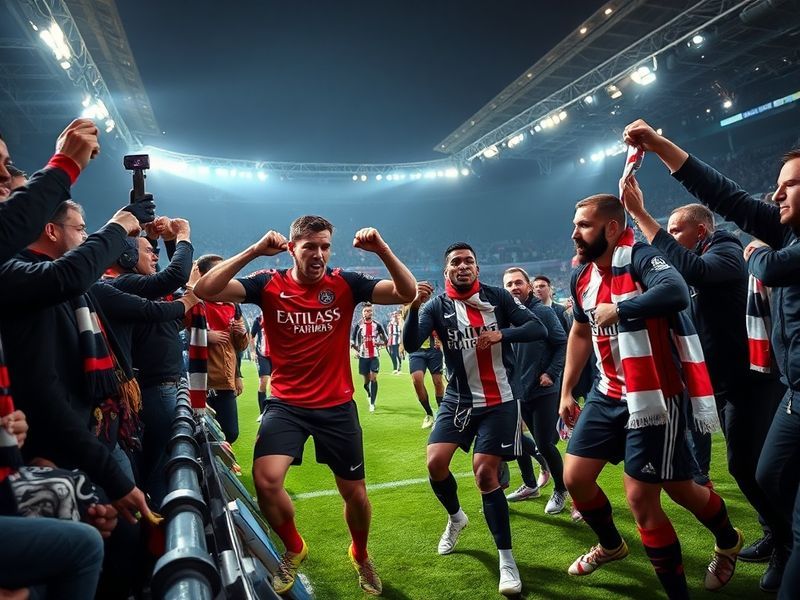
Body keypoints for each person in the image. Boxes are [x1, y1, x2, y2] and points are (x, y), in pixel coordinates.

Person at [622, 119, 800, 596]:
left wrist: (643, 220)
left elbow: (694, 272)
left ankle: (786, 545)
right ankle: (777, 535)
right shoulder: (777, 233)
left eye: (676, 230)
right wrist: (659, 146)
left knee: (753, 468)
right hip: (738, 381)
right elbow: (728, 193)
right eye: (778, 186)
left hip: (756, 381)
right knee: (755, 470)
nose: (778, 195)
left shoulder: (724, 248)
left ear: (700, 230)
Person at [194, 216, 416, 596]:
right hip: (287, 403)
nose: (319, 254)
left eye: (325, 246)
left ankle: (360, 554)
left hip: (336, 405)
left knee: (356, 495)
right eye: (310, 246)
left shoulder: (346, 283)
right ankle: (295, 547)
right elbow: (205, 289)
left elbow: (406, 293)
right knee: (265, 481)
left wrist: (382, 250)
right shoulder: (268, 283)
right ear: (293, 248)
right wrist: (253, 250)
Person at [560, 193, 743, 599]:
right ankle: (611, 545)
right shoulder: (581, 276)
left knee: (651, 498)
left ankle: (726, 543)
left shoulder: (641, 257)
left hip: (656, 398)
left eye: (584, 225)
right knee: (574, 477)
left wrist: (622, 310)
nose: (575, 233)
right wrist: (567, 388)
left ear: (610, 227)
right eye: (575, 225)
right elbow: (579, 330)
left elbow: (676, 291)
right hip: (607, 394)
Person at [403, 242, 547, 597]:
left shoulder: (498, 297)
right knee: (435, 464)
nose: (463, 266)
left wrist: (503, 333)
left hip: (499, 399)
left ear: (477, 269)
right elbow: (410, 344)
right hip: (458, 399)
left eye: (469, 261)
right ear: (447, 271)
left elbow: (537, 329)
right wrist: (413, 307)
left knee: (485, 473)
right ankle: (456, 518)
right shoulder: (436, 305)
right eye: (456, 262)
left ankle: (507, 559)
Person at [502, 268, 569, 515]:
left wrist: (550, 373)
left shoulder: (542, 312)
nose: (514, 287)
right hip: (517, 388)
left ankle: (561, 489)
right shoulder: (507, 315)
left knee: (544, 443)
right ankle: (531, 485)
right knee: (516, 440)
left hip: (543, 389)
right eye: (509, 284)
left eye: (518, 282)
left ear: (528, 286)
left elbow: (562, 343)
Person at [196, 254, 249, 444]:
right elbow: (176, 338)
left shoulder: (232, 305)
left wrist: (241, 333)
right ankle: (207, 469)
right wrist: (204, 336)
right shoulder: (195, 303)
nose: (224, 274)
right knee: (202, 431)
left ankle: (218, 467)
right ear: (203, 275)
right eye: (219, 270)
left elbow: (240, 347)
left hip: (226, 381)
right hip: (201, 382)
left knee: (230, 432)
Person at [403, 284, 446, 429]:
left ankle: (441, 412)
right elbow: (406, 327)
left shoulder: (433, 307)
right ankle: (429, 413)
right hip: (417, 351)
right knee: (417, 380)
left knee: (438, 382)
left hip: (434, 349)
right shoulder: (409, 307)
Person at [351, 303, 388, 412]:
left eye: (370, 311)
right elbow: (352, 340)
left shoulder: (378, 325)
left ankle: (372, 403)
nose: (368, 312)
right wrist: (355, 350)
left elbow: (386, 339)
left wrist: (380, 343)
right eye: (366, 311)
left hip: (374, 356)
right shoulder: (358, 325)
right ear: (362, 313)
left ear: (372, 312)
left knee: (373, 378)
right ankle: (368, 392)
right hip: (363, 356)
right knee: (366, 382)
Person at [250, 312, 272, 420]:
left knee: (279, 382)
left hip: (277, 354)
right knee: (263, 381)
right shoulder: (258, 319)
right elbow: (251, 336)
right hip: (262, 354)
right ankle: (263, 412)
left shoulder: (279, 316)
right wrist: (253, 351)